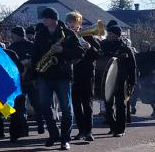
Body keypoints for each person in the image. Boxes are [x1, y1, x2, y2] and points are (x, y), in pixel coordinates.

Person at [32, 8, 85, 150]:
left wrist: (63, 51)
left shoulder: (67, 34)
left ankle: (65, 139)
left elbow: (79, 52)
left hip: (63, 75)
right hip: (45, 75)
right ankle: (53, 134)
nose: (43, 20)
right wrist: (34, 72)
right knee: (43, 106)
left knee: (66, 109)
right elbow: (35, 54)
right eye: (43, 18)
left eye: (46, 18)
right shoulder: (40, 34)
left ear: (54, 19)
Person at [64, 12, 100, 142]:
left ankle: (89, 131)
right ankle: (80, 131)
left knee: (87, 104)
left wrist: (90, 47)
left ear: (79, 23)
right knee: (76, 105)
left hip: (87, 74)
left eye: (74, 22)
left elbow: (98, 54)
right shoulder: (66, 37)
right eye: (70, 22)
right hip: (72, 75)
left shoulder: (88, 36)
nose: (72, 24)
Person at [99, 22, 136, 137]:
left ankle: (120, 129)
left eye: (111, 34)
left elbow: (132, 66)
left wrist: (132, 82)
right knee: (108, 105)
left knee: (120, 105)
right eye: (108, 33)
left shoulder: (125, 48)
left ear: (117, 35)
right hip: (106, 80)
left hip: (121, 80)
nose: (109, 35)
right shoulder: (103, 45)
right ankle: (113, 126)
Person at [7, 26, 36, 142]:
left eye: (13, 34)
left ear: (19, 34)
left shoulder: (30, 45)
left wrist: (27, 64)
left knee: (36, 104)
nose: (11, 37)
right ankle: (21, 131)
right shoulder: (11, 48)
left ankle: (40, 125)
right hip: (18, 80)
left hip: (31, 79)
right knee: (18, 107)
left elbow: (35, 59)